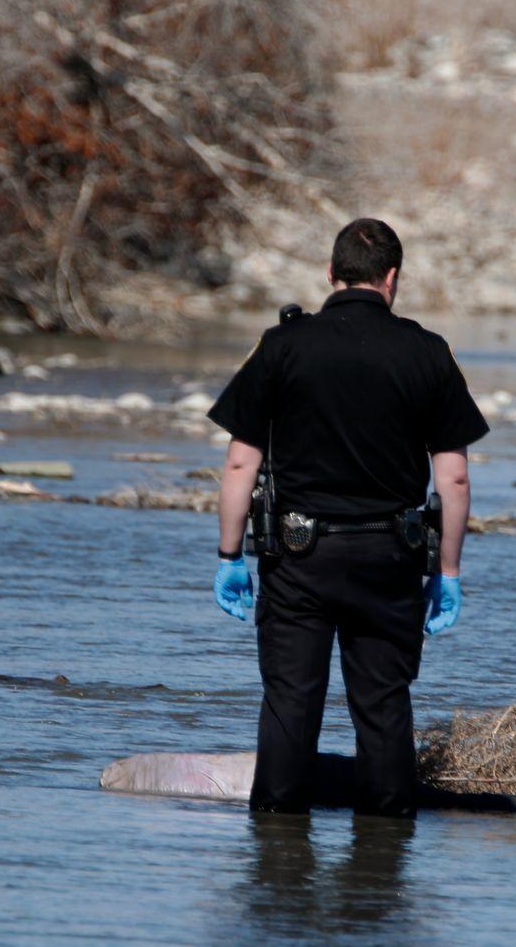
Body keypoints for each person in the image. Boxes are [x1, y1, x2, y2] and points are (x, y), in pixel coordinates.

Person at [207, 218, 488, 818]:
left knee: (290, 701)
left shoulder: (282, 345)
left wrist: (231, 556)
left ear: (330, 275)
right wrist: (450, 571)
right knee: (384, 705)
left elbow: (239, 465)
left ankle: (278, 852)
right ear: (393, 279)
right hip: (389, 558)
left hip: (298, 557)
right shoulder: (428, 351)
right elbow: (454, 478)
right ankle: (382, 860)